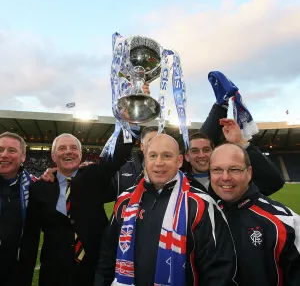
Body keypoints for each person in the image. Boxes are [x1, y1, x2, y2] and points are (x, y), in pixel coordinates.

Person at [94, 134, 237, 285]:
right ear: (145, 160)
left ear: (179, 161)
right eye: (153, 156)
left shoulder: (201, 204)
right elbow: (107, 257)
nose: (159, 163)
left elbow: (219, 270)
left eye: (167, 156)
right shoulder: (125, 201)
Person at [17, 132, 136, 286]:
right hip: (54, 271)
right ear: (53, 156)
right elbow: (31, 236)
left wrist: (129, 126)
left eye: (73, 148)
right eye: (62, 148)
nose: (68, 151)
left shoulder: (93, 175)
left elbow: (116, 157)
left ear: (80, 155)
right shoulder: (39, 188)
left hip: (93, 268)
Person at [209, 143, 300, 285]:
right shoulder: (206, 216)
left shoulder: (286, 223)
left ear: (249, 173)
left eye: (234, 169)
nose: (225, 177)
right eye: (217, 170)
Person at [184, 118, 285, 197]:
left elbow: (274, 182)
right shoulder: (179, 184)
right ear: (187, 157)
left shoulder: (231, 179)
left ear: (213, 152)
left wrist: (240, 142)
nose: (202, 155)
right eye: (195, 151)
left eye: (206, 150)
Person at [0, 132, 35, 286]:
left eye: (12, 151)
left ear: (23, 157)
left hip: (18, 271)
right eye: (0, 150)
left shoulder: (35, 187)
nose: (4, 155)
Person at [110, 125, 163, 198]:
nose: (156, 144)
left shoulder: (173, 171)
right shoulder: (122, 168)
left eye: (160, 141)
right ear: (142, 146)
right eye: (151, 140)